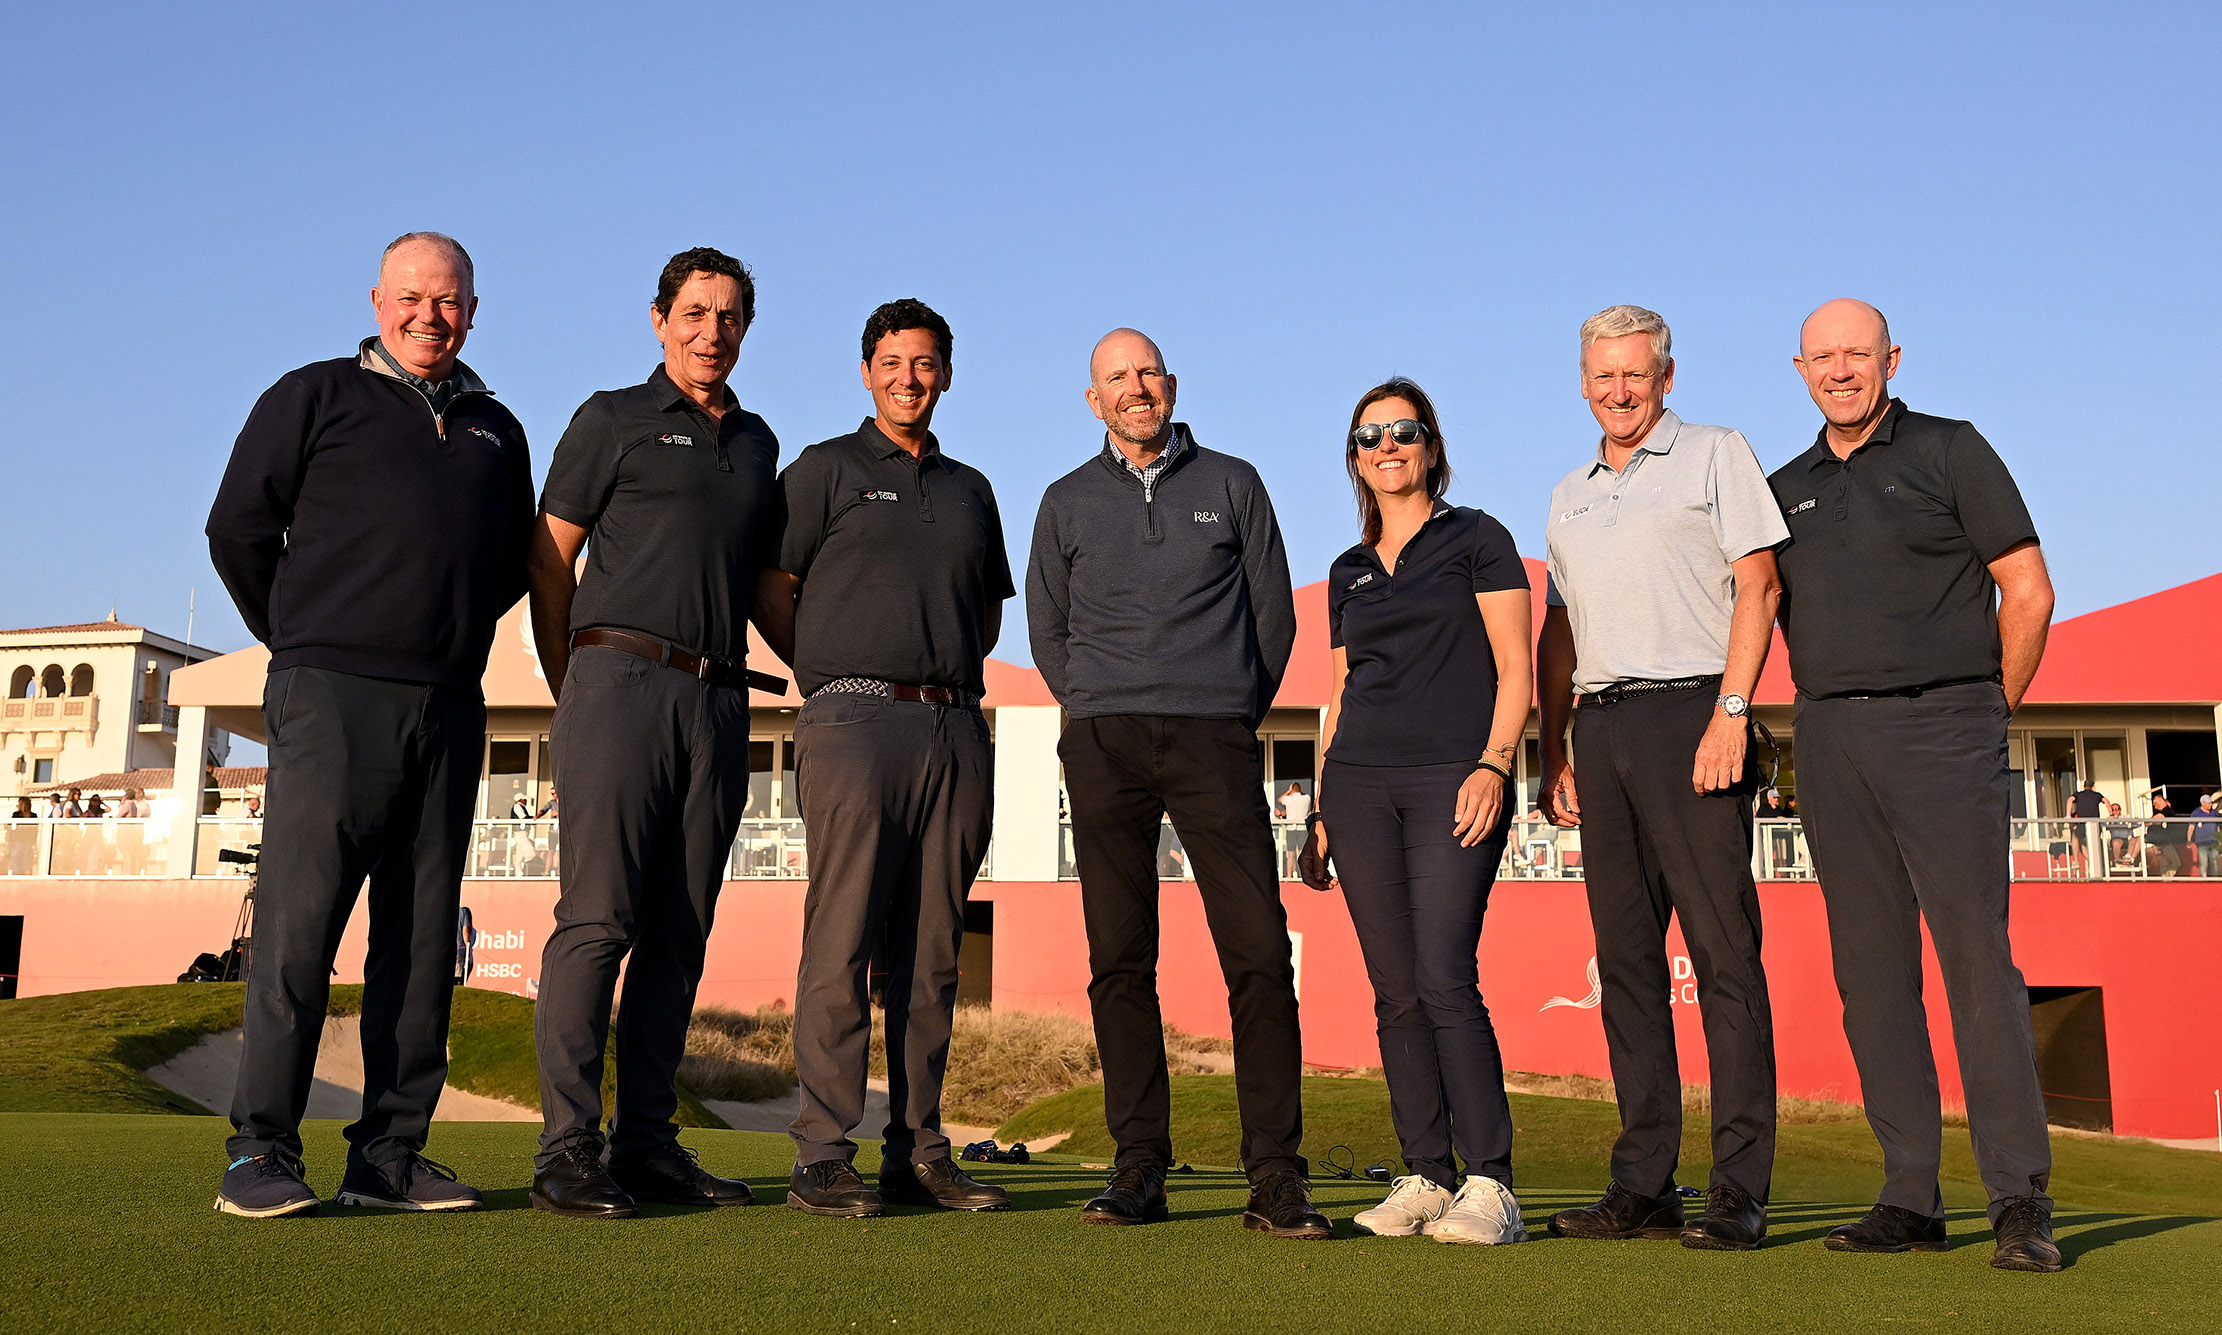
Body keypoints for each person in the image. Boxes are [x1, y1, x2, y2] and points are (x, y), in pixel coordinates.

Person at [205, 231, 534, 1217]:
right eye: (413, 297)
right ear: (379, 301)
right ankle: (260, 1151)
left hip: (448, 703)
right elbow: (237, 529)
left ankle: (388, 1155)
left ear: (472, 311)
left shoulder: (498, 429)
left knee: (422, 941)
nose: (431, 316)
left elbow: (508, 564)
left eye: (450, 300)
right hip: (330, 695)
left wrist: (443, 637)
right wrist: (304, 638)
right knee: (300, 930)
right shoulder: (313, 395)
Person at [1771, 298, 2060, 1272]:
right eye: (1822, 357)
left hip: (1946, 725)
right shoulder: (1784, 488)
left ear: (1890, 359)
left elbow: (2028, 588)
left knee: (1977, 965)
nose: (1839, 370)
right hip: (1828, 735)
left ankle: (2018, 1201)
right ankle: (1909, 1195)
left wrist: (1986, 709)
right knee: (1870, 975)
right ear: (1799, 369)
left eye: (1856, 354)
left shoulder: (1950, 449)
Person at [1027, 328, 1325, 1239]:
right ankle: (1139, 1166)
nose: (1136, 386)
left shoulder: (1233, 483)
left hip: (1213, 737)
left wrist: (1231, 710)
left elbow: (1273, 618)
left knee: (1259, 952)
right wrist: (1093, 706)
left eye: (1148, 371)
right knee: (1120, 958)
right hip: (1105, 740)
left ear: (1172, 383)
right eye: (1116, 377)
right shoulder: (1064, 500)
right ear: (1094, 400)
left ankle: (1275, 1174)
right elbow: (1048, 630)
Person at [526, 247, 782, 1220]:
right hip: (617, 682)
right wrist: (574, 684)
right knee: (598, 921)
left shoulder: (757, 443)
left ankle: (645, 1145)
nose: (711, 332)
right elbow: (549, 559)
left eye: (729, 316)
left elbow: (764, 587)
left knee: (679, 932)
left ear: (745, 329)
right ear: (659, 319)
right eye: (694, 313)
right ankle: (565, 1151)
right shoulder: (611, 418)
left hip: (719, 702)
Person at [756, 298, 1015, 1218]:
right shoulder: (823, 469)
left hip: (955, 729)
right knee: (844, 941)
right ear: (867, 371)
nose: (910, 378)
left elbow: (986, 614)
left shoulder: (972, 488)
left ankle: (918, 1151)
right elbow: (772, 588)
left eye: (926, 362)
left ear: (946, 373)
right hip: (853, 724)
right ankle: (824, 1153)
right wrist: (832, 670)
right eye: (893, 362)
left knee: (933, 953)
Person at [1537, 305, 1784, 1252]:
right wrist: (1554, 747)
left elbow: (1759, 584)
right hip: (1600, 726)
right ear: (1583, 383)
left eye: (1635, 374)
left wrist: (1732, 711)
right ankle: (1643, 1182)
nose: (1619, 391)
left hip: (1695, 715)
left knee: (1724, 956)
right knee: (1627, 965)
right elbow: (1562, 629)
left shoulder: (1717, 453)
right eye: (1602, 375)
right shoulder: (1568, 493)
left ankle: (1739, 1189)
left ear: (1665, 377)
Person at [1296, 377, 1534, 1244]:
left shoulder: (1478, 538)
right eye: (1370, 436)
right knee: (1394, 989)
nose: (1387, 446)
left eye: (1403, 430)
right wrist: (1322, 807)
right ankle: (1427, 1173)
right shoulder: (1347, 570)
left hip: (1452, 780)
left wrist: (1494, 765)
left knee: (1443, 976)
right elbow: (1340, 692)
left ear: (1431, 445)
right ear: (1355, 460)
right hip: (1358, 785)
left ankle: (1492, 1182)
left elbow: (1516, 667)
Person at [2144, 793, 2187, 877]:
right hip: (2160, 841)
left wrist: (2150, 821)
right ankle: (2165, 879)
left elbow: (2156, 819)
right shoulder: (2160, 813)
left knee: (2175, 862)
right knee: (2164, 864)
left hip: (2165, 841)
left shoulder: (2167, 811)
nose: (2154, 805)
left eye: (2155, 802)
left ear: (2161, 801)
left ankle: (2167, 877)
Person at [2069, 778, 2104, 873]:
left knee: (2076, 837)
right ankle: (2092, 865)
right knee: (2084, 845)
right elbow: (2106, 801)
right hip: (2095, 825)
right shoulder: (2097, 795)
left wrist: (2068, 815)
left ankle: (2076, 861)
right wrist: (2111, 814)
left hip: (2083, 824)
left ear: (2084, 786)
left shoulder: (2078, 795)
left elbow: (2070, 800)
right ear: (2092, 787)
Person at [2192, 794, 2221, 877]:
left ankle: (2215, 880)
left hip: (2214, 842)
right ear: (2203, 803)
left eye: (2211, 803)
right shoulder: (2196, 813)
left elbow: (2217, 826)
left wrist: (2219, 839)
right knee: (2203, 863)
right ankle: (2203, 880)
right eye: (2208, 803)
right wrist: (2189, 839)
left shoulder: (2214, 812)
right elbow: (2191, 827)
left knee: (2215, 862)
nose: (2210, 804)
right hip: (2202, 843)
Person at [2103, 802, 2134, 867]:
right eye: (2113, 809)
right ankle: (2117, 861)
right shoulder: (2110, 820)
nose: (2115, 811)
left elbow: (2133, 823)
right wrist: (2110, 818)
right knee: (2116, 842)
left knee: (2134, 840)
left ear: (2120, 810)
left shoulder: (2125, 818)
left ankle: (2129, 861)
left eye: (2117, 809)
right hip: (2115, 839)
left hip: (2126, 840)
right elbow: (2103, 825)